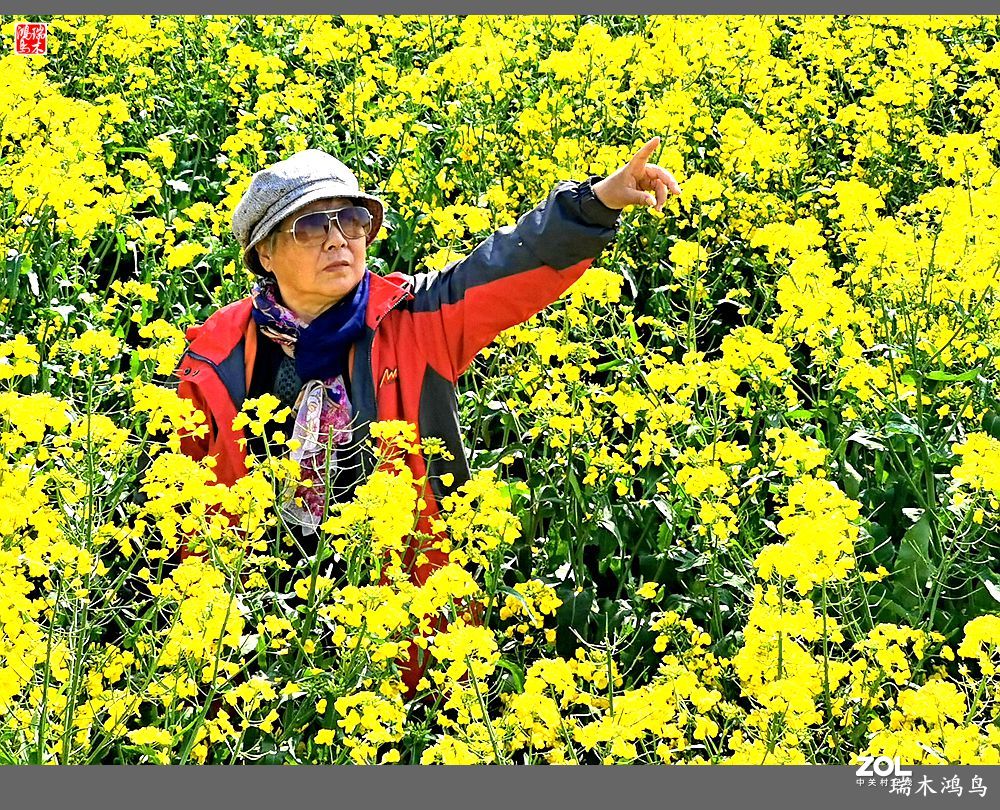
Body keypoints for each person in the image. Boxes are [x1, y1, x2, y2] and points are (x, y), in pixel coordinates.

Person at [174, 137, 681, 693]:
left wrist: (595, 204)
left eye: (350, 220)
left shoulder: (417, 317)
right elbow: (187, 497)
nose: (339, 240)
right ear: (265, 253)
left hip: (409, 612)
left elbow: (508, 263)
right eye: (312, 227)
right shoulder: (214, 356)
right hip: (265, 630)